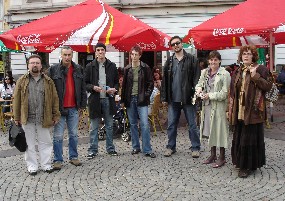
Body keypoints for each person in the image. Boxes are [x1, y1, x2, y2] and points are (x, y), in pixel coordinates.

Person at [13, 54, 60, 175]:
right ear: (28, 65)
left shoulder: (48, 81)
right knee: (29, 144)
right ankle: (32, 166)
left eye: (37, 63)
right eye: (32, 63)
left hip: (44, 117)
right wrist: (16, 117)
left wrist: (56, 115)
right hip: (27, 118)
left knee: (46, 142)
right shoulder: (21, 80)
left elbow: (55, 99)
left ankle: (46, 164)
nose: (35, 65)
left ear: (41, 65)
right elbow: (16, 99)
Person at [228, 45, 272, 178]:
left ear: (254, 56)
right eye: (244, 54)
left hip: (253, 112)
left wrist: (255, 76)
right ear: (241, 57)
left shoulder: (262, 69)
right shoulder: (238, 71)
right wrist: (229, 110)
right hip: (239, 110)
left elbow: (268, 86)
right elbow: (232, 92)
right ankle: (240, 162)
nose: (246, 56)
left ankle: (247, 166)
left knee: (249, 138)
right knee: (240, 137)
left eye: (249, 54)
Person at [161, 35, 201, 158]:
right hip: (174, 99)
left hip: (188, 98)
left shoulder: (192, 59)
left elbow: (197, 78)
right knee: (171, 124)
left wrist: (196, 93)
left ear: (182, 44)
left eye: (177, 43)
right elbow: (165, 82)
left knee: (192, 125)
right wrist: (164, 98)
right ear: (171, 47)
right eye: (173, 44)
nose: (176, 46)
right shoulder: (169, 62)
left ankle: (195, 147)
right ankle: (171, 147)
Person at [48, 46, 87, 170]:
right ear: (61, 55)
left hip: (74, 107)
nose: (67, 57)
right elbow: (49, 90)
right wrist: (52, 109)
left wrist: (82, 105)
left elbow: (82, 88)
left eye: (69, 55)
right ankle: (58, 159)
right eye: (65, 55)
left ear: (72, 55)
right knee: (58, 135)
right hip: (59, 109)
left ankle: (73, 157)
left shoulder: (78, 69)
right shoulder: (53, 70)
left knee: (74, 134)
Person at [195, 51, 231, 168]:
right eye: (211, 60)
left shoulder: (224, 74)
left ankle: (222, 157)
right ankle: (212, 155)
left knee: (219, 130)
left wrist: (210, 95)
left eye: (215, 60)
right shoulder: (204, 72)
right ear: (208, 61)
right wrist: (199, 89)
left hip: (219, 107)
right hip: (207, 106)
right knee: (210, 130)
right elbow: (199, 84)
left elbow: (224, 93)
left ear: (219, 61)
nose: (213, 62)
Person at [121, 45, 156, 158]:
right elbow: (124, 85)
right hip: (130, 99)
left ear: (140, 55)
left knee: (145, 124)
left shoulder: (145, 68)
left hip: (142, 99)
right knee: (132, 124)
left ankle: (147, 149)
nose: (134, 56)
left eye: (136, 54)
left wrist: (146, 95)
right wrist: (123, 100)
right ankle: (135, 147)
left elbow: (150, 83)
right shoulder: (127, 69)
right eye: (132, 54)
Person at [85, 43, 118, 159]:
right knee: (94, 126)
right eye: (98, 50)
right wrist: (93, 87)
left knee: (109, 125)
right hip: (95, 100)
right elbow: (85, 83)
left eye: (102, 50)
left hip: (108, 99)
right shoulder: (90, 66)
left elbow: (116, 82)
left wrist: (114, 89)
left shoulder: (112, 65)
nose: (100, 52)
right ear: (95, 52)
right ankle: (93, 150)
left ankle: (110, 148)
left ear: (105, 51)